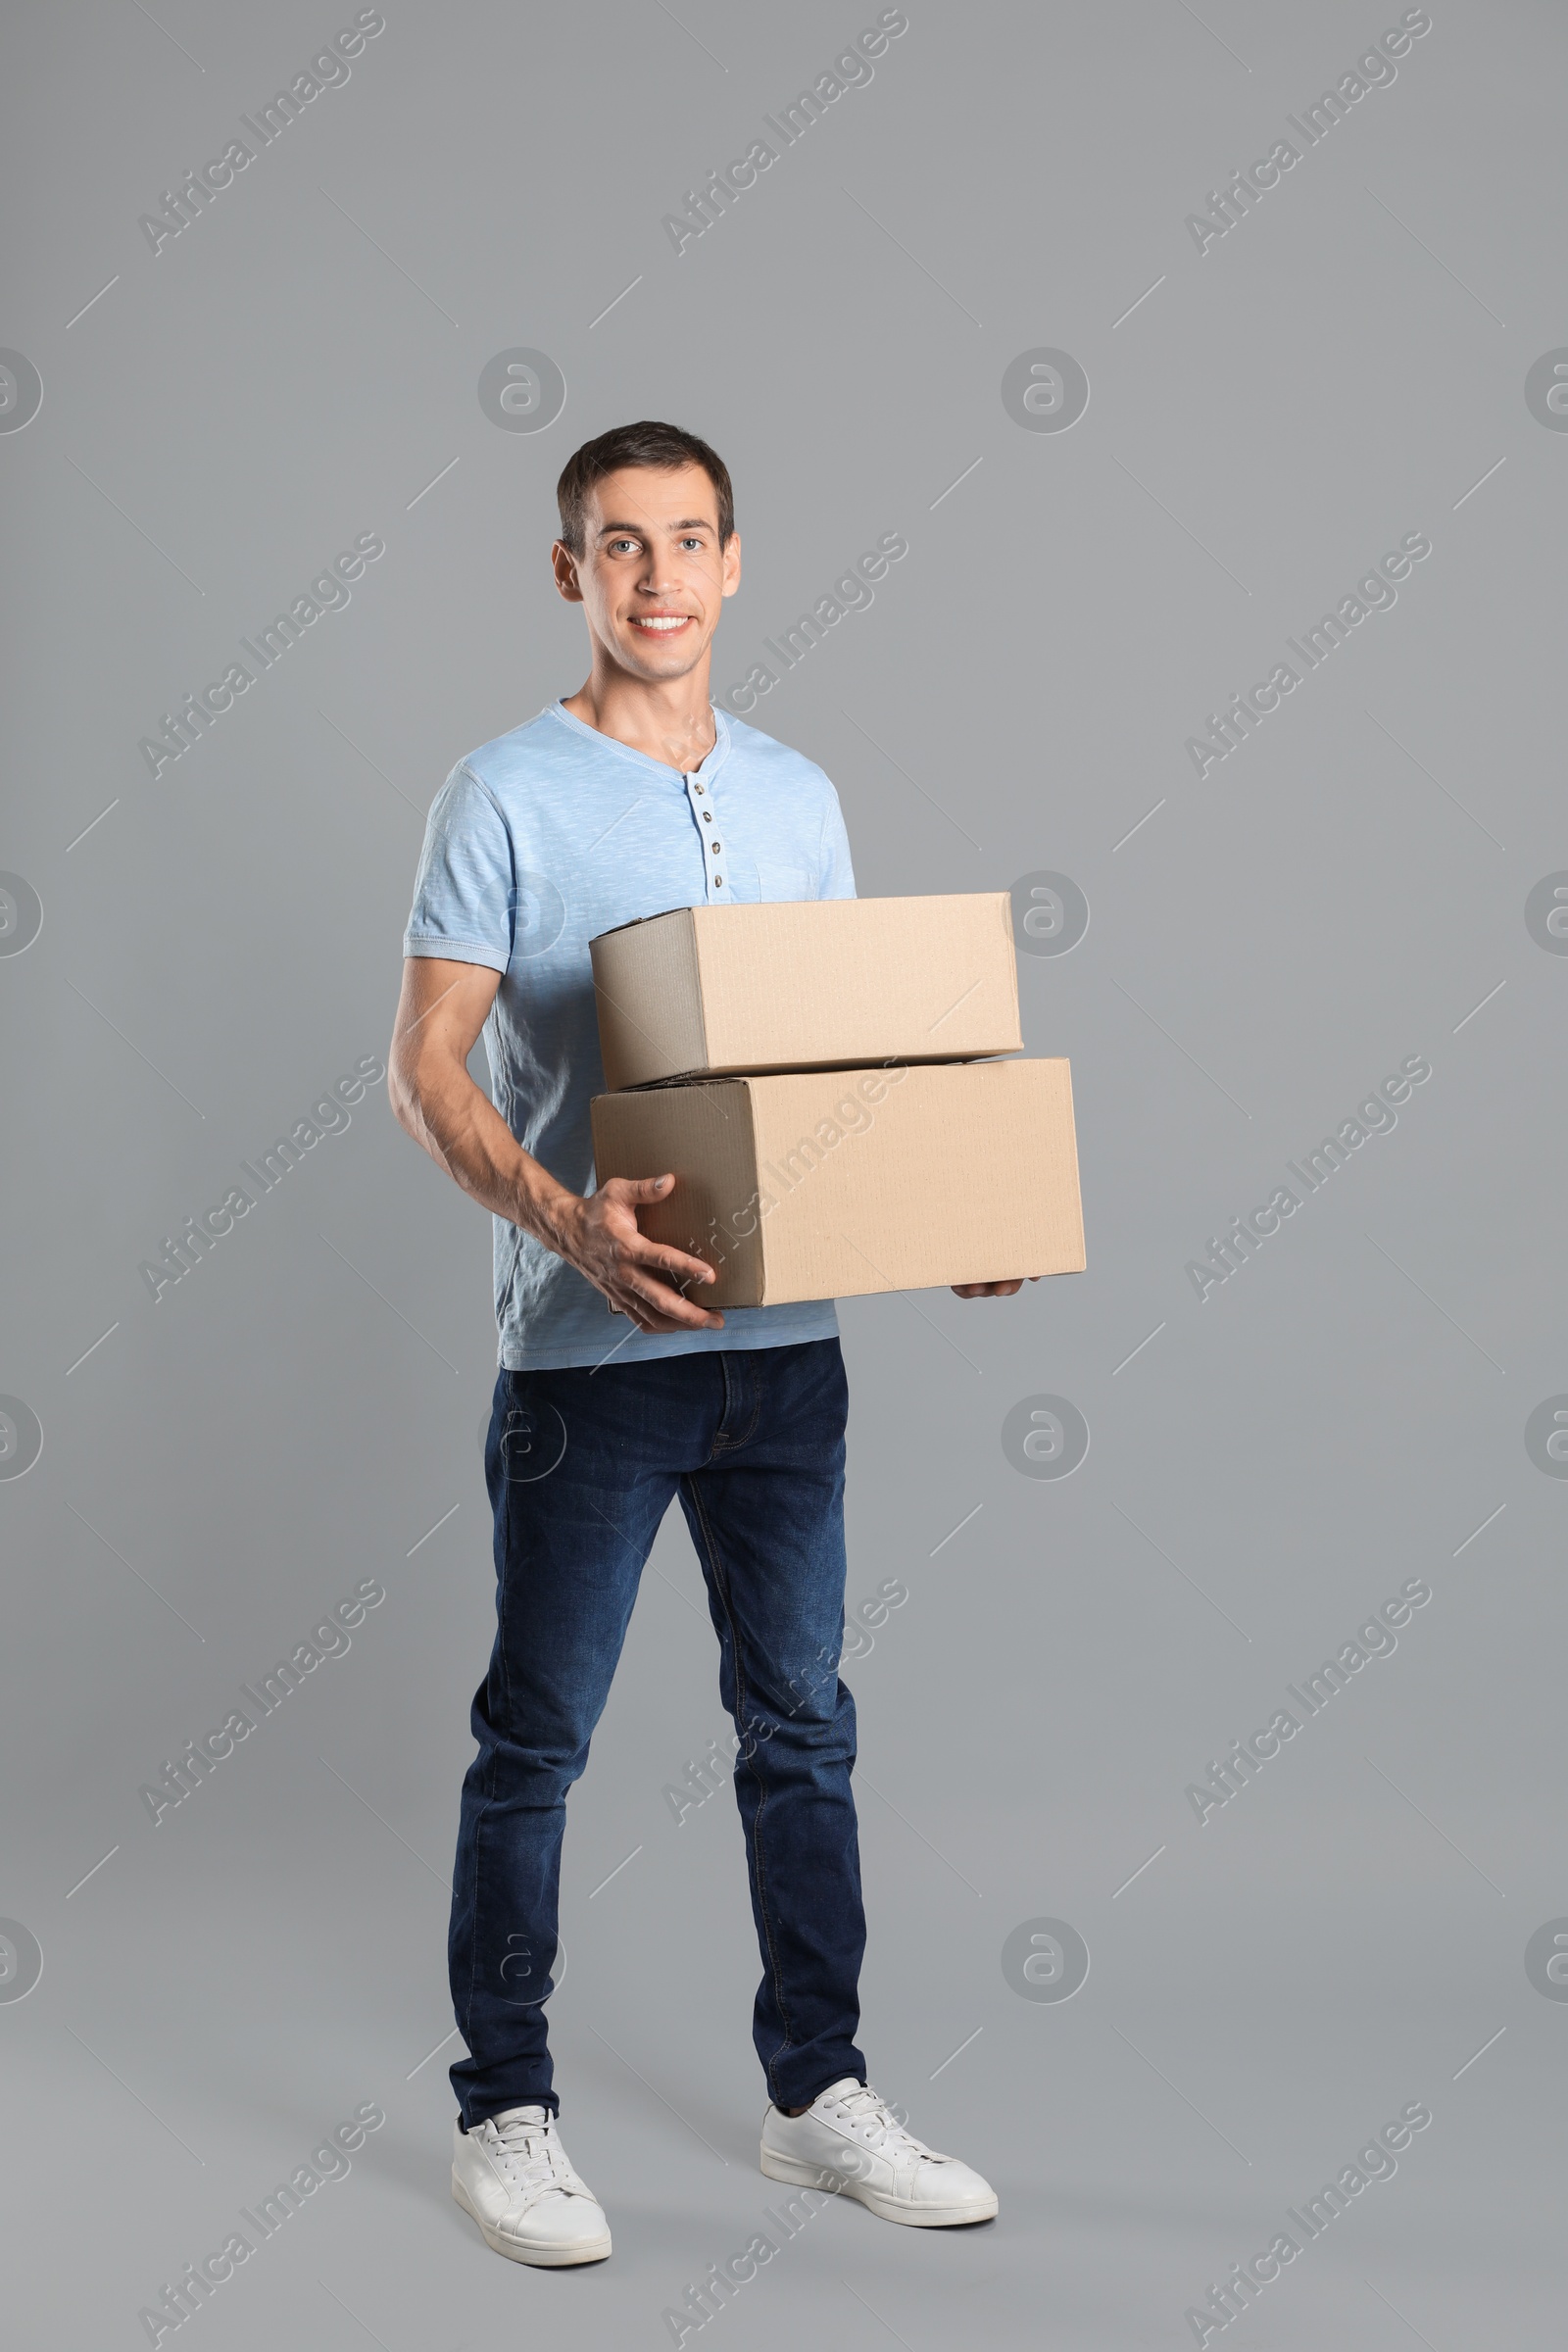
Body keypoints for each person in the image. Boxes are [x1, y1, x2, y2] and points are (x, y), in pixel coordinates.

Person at [389, 419, 1029, 2268]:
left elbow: (838, 1061)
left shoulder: (802, 795)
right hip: (589, 1368)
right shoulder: (500, 791)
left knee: (804, 1727)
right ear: (569, 572)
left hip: (788, 1360)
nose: (657, 576)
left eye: (687, 541)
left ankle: (816, 2095)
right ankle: (503, 2112)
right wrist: (564, 1218)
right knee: (538, 1739)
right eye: (619, 544)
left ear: (736, 561)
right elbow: (427, 1064)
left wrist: (952, 1203)